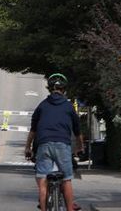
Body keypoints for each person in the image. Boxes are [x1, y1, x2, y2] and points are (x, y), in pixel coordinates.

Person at [25, 73, 84, 211]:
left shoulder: (42, 106)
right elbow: (77, 131)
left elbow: (33, 130)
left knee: (43, 180)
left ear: (50, 89)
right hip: (62, 145)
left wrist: (28, 148)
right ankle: (70, 208)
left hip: (43, 144)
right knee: (67, 179)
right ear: (64, 90)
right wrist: (80, 147)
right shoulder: (69, 107)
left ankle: (44, 208)